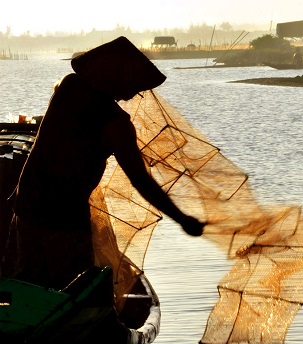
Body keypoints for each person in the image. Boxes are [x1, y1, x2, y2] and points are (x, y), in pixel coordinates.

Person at [1, 37, 204, 289]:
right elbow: (140, 180)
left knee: (25, 282)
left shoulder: (67, 87)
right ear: (116, 77)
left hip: (28, 203)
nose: (134, 93)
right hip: (64, 217)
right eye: (133, 84)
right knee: (73, 289)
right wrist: (182, 218)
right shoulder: (116, 125)